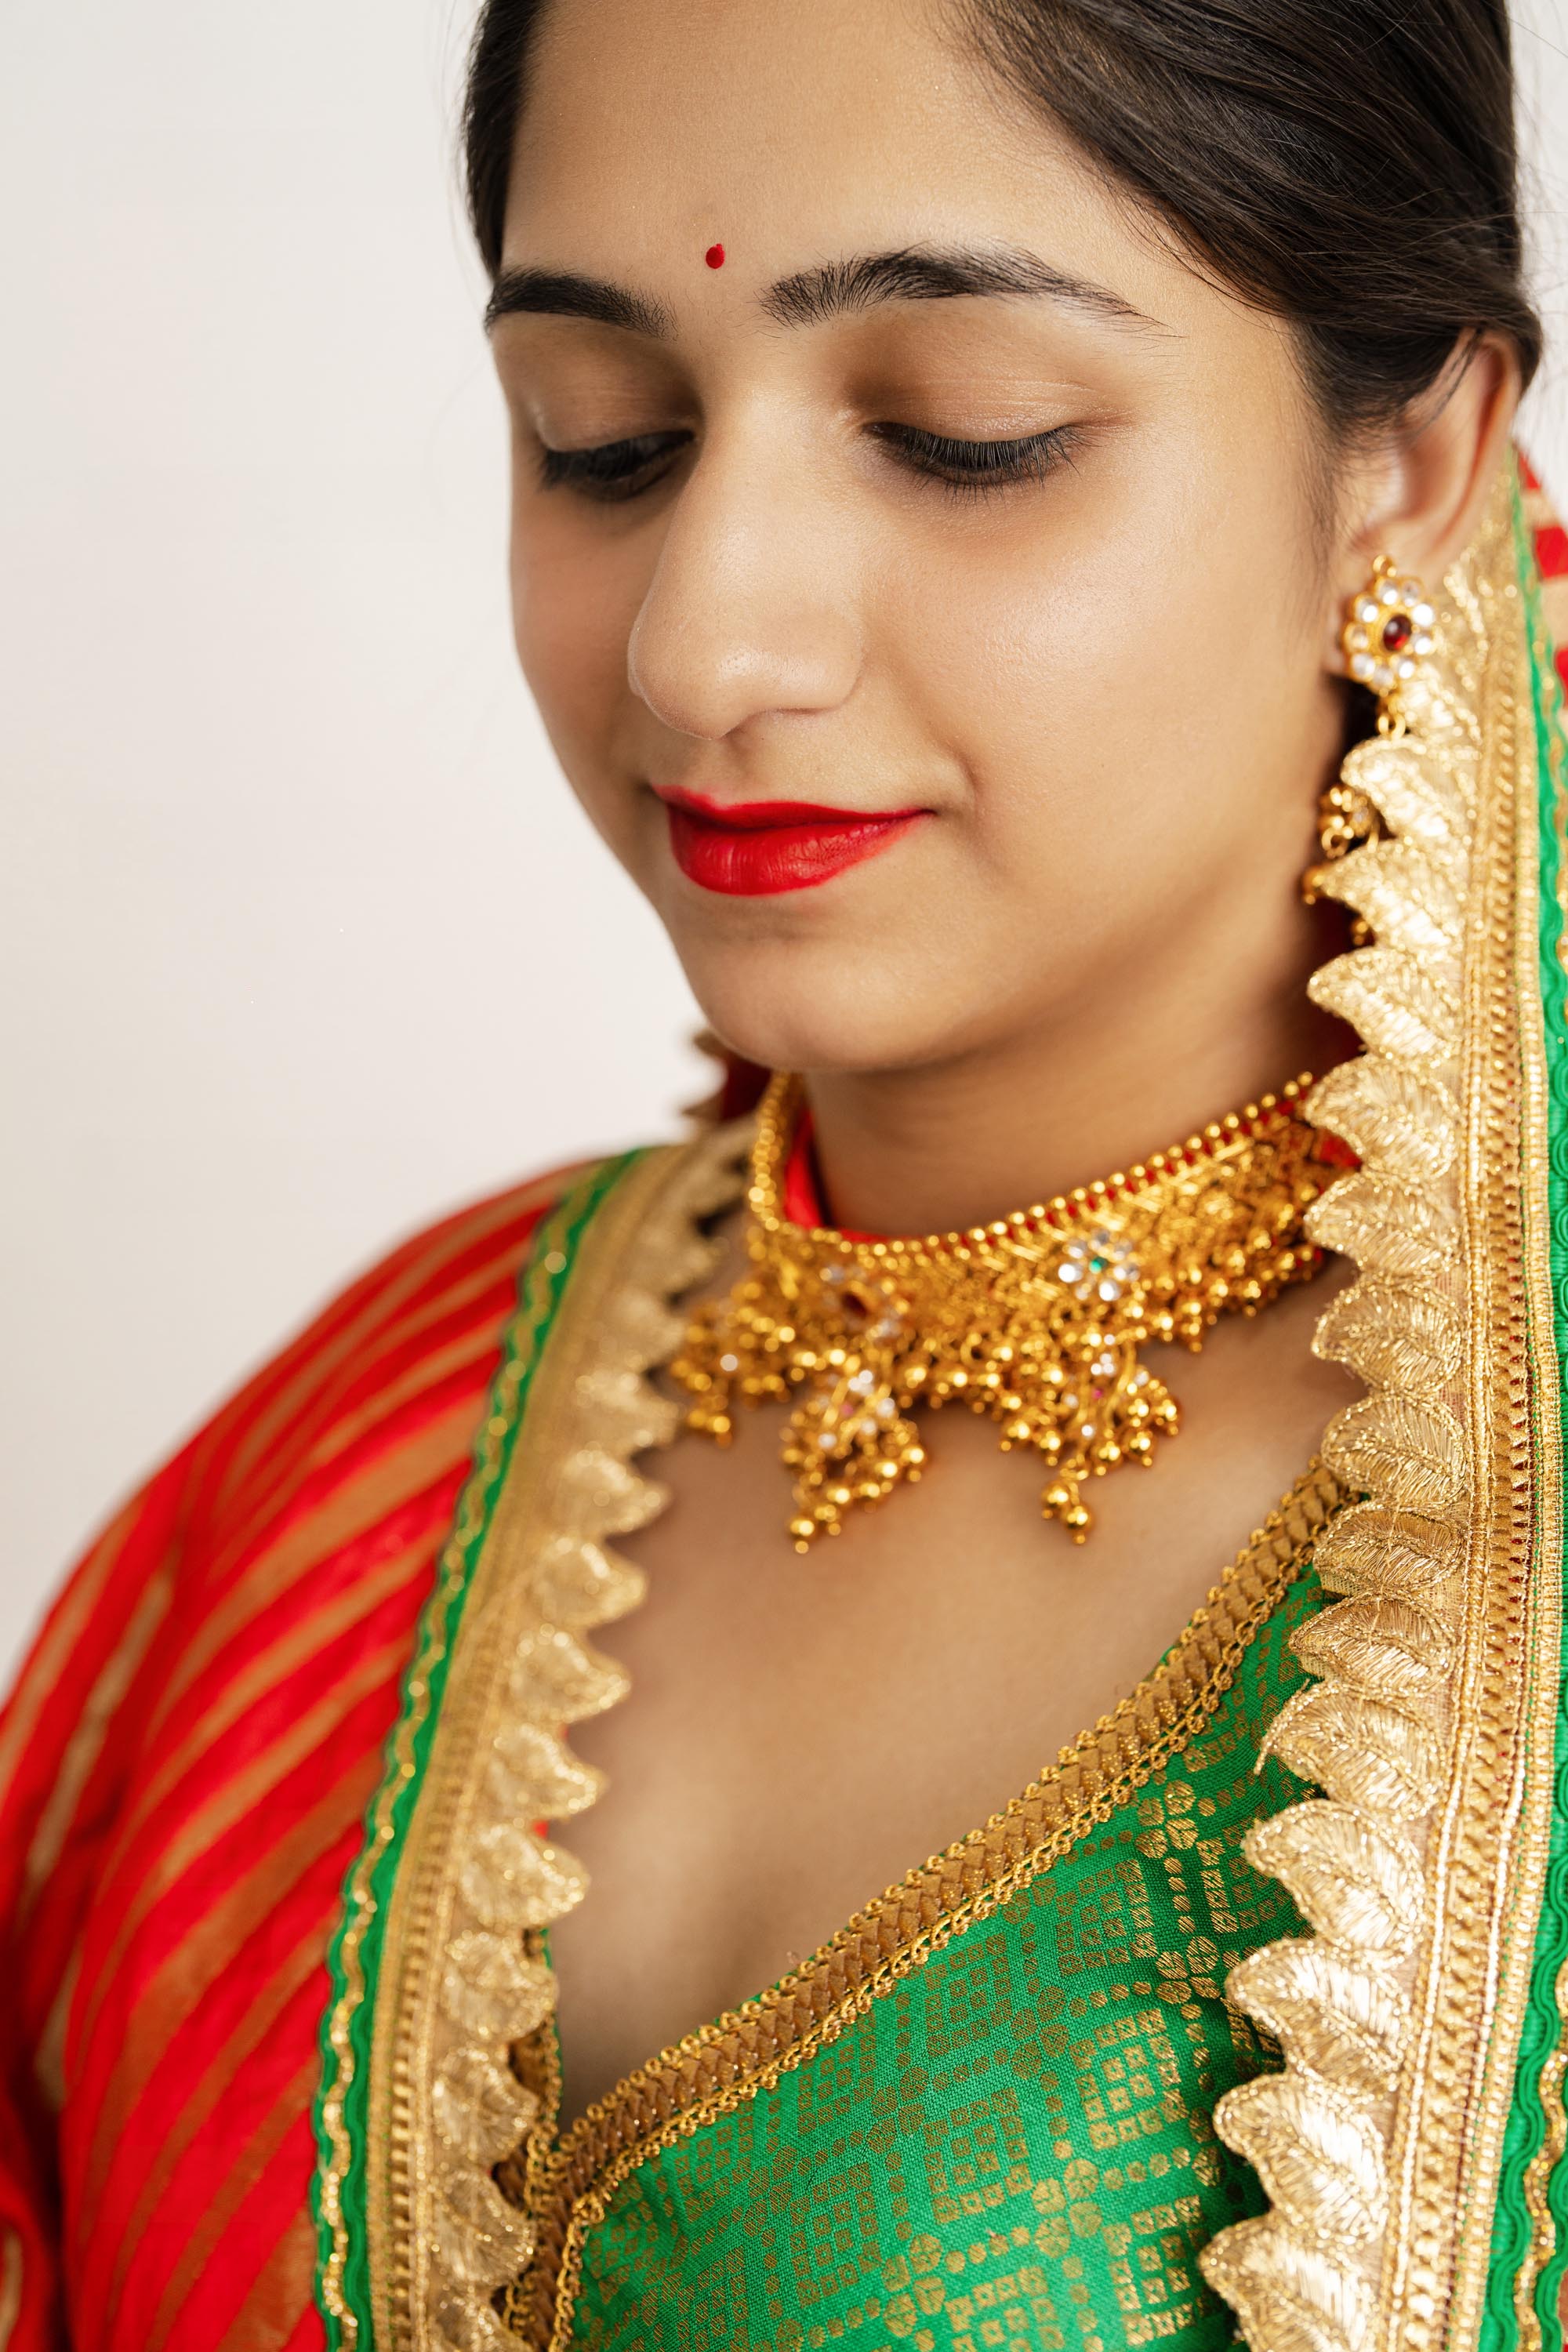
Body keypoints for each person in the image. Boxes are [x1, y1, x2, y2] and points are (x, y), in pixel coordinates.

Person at [3, 0, 1566, 2346]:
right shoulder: (347, 1462)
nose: (704, 641)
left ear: (1419, 453)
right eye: (603, 444)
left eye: (966, 436)